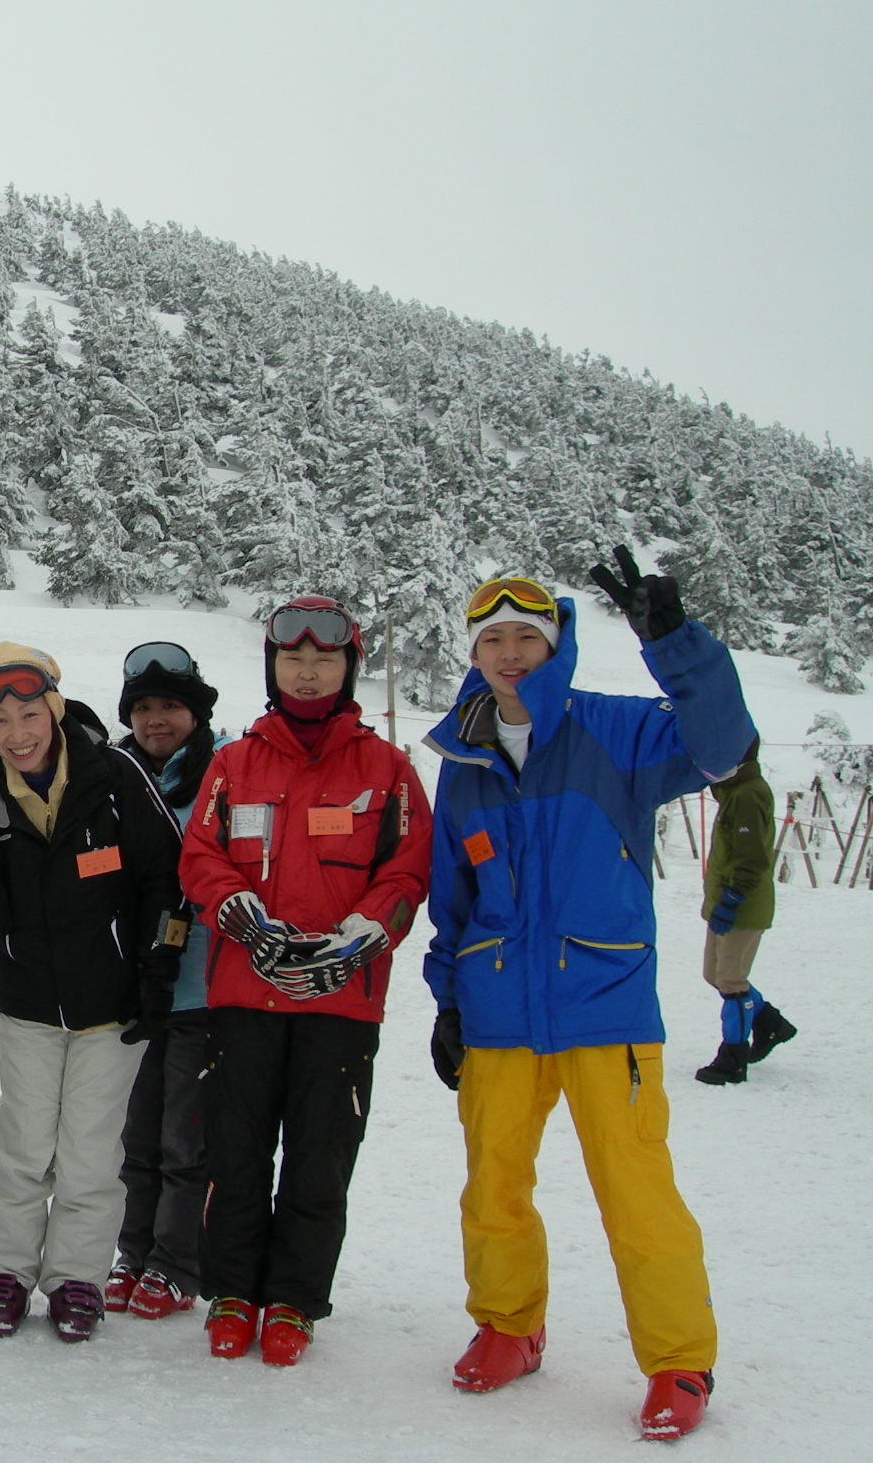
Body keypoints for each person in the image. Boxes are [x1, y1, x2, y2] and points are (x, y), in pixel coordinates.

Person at [425, 558, 753, 1441]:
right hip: (498, 1012)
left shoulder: (614, 730)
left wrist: (674, 647)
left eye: (526, 637)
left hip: (606, 1003)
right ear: (473, 653)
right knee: (493, 1185)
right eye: (493, 638)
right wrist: (447, 999)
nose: (510, 652)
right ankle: (509, 1326)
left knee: (635, 1191)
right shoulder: (462, 757)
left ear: (555, 645)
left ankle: (679, 1361)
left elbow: (722, 747)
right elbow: (452, 893)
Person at [178, 597, 432, 1367]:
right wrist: (241, 916)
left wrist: (362, 937)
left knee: (321, 1157)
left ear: (349, 667)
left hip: (341, 1004)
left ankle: (293, 1299)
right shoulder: (235, 763)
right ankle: (232, 1292)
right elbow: (199, 856)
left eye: (325, 658)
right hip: (244, 995)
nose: (309, 671)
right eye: (294, 658)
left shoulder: (387, 770)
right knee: (236, 1151)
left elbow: (409, 870)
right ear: (273, 665)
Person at [0, 643, 183, 1344]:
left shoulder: (115, 776)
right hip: (27, 1005)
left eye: (28, 714)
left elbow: (167, 879)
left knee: (90, 1151)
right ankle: (5, 1273)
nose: (17, 734)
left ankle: (77, 1277)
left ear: (54, 709)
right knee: (21, 1143)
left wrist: (156, 971)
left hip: (111, 1007)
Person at [103, 641, 221, 1321]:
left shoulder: (224, 772)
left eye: (170, 706)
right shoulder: (113, 774)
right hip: (133, 989)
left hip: (203, 987)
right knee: (136, 1136)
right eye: (143, 707)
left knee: (186, 1139)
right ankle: (134, 1250)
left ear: (195, 712)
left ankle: (178, 1262)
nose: (156, 720)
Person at [694, 739, 795, 1084]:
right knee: (713, 974)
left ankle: (732, 1059)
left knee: (731, 981)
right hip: (723, 901)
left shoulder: (748, 794)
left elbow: (751, 858)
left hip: (742, 905)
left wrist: (733, 898)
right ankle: (769, 1022)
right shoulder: (733, 791)